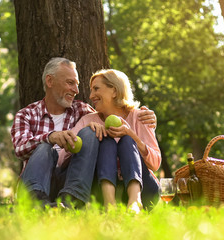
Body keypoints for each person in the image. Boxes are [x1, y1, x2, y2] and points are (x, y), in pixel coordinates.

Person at [11, 57, 156, 208]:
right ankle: (35, 204)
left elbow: (109, 118)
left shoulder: (83, 111)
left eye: (77, 84)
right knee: (44, 147)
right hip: (38, 181)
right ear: (50, 81)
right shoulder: (26, 115)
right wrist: (50, 137)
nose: (77, 90)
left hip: (68, 181)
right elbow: (20, 149)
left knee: (91, 132)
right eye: (70, 83)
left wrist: (147, 120)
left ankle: (71, 202)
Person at [58, 69, 161, 212]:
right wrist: (86, 134)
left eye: (96, 89)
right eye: (91, 90)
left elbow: (155, 164)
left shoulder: (140, 117)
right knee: (107, 141)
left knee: (126, 140)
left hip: (145, 191)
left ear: (114, 91)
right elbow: (61, 159)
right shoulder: (88, 120)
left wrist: (132, 135)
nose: (91, 95)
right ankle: (110, 205)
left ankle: (135, 202)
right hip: (100, 191)